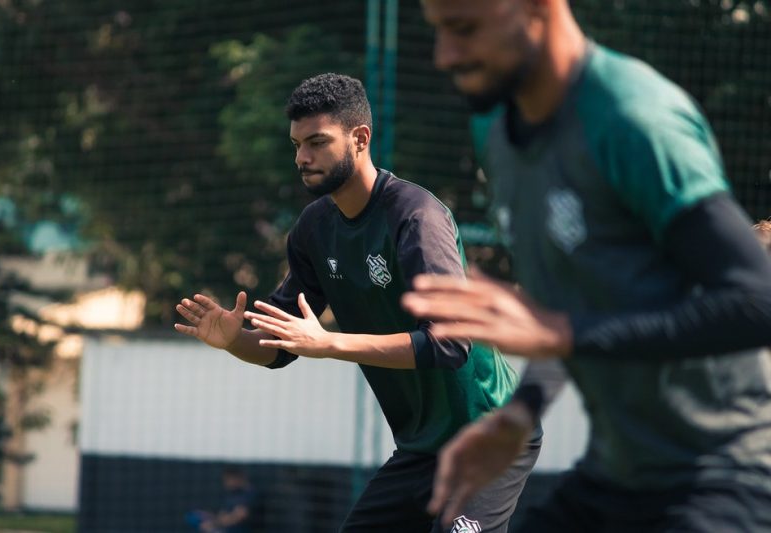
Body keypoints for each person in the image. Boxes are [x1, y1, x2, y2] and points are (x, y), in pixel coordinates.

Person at [401, 1, 771, 531]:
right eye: (438, 31)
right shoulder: (498, 136)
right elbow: (567, 309)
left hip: (720, 477)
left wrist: (566, 332)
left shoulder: (632, 117)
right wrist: (519, 412)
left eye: (464, 29)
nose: (444, 55)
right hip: (616, 475)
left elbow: (755, 302)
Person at [175, 73, 540, 533]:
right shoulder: (312, 230)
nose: (302, 158)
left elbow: (451, 345)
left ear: (360, 138)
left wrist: (332, 344)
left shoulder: (415, 217)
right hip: (422, 450)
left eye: (316, 142)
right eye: (296, 145)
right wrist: (235, 341)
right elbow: (281, 346)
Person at [186, 466, 256, 533]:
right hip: (222, 525)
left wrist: (214, 523)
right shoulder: (232, 494)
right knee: (193, 517)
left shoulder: (248, 494)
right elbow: (222, 513)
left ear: (236, 478)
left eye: (228, 480)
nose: (226, 483)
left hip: (234, 529)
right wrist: (209, 516)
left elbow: (239, 516)